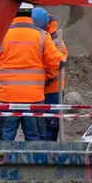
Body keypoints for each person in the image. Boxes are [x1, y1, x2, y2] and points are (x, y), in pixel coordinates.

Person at [0, 3, 64, 141]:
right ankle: (31, 164)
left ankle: (5, 163)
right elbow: (57, 62)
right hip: (33, 99)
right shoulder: (42, 36)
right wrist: (46, 77)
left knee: (5, 138)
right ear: (31, 14)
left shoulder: (3, 35)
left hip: (7, 98)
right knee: (34, 139)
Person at [31, 7, 68, 141]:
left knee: (51, 124)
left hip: (52, 88)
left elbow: (59, 61)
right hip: (43, 86)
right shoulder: (44, 35)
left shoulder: (52, 37)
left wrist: (46, 78)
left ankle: (48, 152)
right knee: (41, 122)